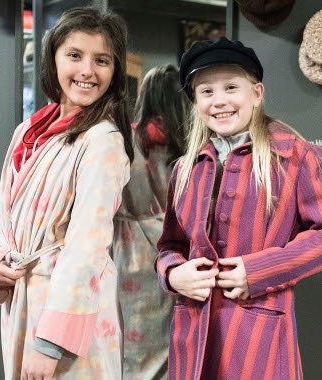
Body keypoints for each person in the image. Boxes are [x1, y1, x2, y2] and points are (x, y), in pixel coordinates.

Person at [155, 37, 322, 379]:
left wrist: (260, 270)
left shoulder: (296, 157)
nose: (219, 101)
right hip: (193, 333)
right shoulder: (185, 168)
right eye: (206, 92)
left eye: (231, 87)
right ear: (195, 101)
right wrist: (173, 275)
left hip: (257, 336)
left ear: (257, 93)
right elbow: (170, 246)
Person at [0, 7, 133, 379]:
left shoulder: (103, 140)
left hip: (67, 316)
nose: (87, 71)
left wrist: (51, 344)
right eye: (74, 55)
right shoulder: (28, 131)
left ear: (115, 71)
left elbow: (87, 246)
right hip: (23, 301)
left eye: (102, 60)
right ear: (53, 58)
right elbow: (2, 208)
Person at [113, 64, 185, 379]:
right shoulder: (189, 148)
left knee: (124, 340)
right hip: (172, 253)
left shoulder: (123, 140)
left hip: (122, 251)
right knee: (168, 346)